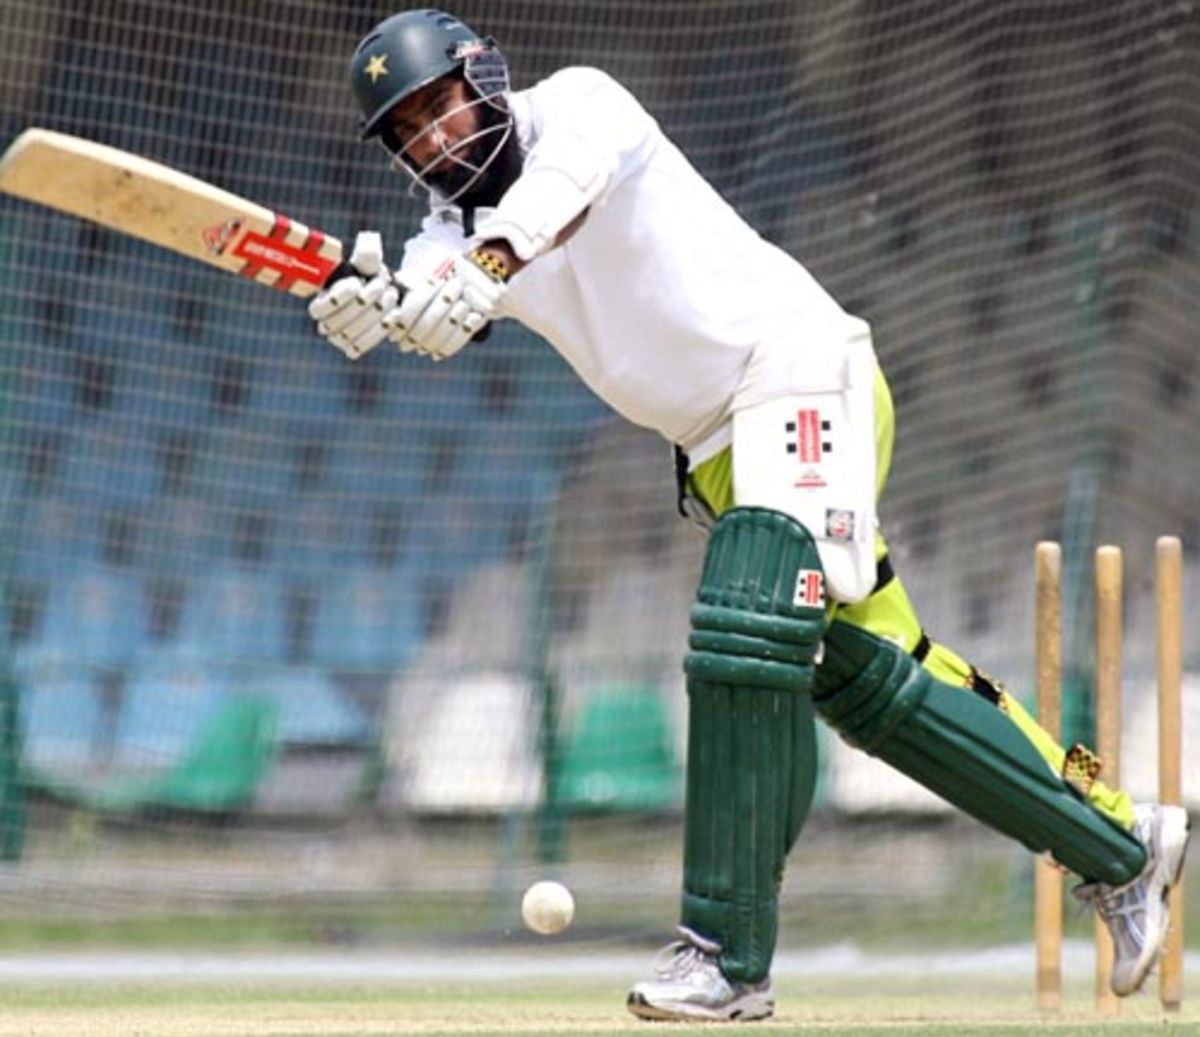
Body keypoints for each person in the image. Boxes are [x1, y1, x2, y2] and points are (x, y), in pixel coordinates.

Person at [309, 8, 1190, 1022]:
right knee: (868, 683)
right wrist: (375, 304)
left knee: (741, 630)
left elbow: (547, 209)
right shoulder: (450, 232)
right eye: (408, 132)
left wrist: (482, 273)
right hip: (720, 452)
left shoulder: (580, 109)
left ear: (485, 79)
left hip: (797, 375)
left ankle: (725, 954)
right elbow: (431, 287)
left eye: (439, 107)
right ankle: (1126, 847)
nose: (433, 138)